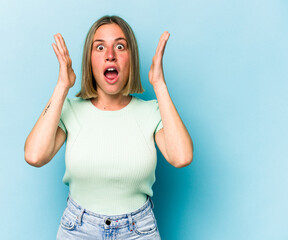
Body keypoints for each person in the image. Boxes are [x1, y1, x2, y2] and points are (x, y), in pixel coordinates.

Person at [24, 15, 193, 240]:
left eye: (120, 46)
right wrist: (62, 86)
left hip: (138, 231)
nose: (110, 55)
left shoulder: (152, 112)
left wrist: (159, 84)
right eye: (100, 47)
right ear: (89, 60)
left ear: (131, 59)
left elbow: (181, 157)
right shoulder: (70, 110)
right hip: (78, 230)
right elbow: (35, 156)